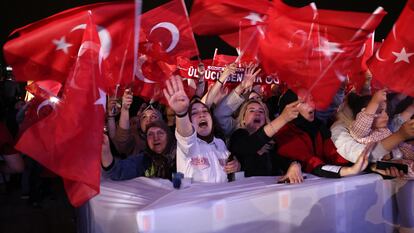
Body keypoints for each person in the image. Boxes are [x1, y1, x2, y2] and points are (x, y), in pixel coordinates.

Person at [274, 89, 371, 178]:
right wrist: (348, 170)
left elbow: (334, 155)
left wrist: (362, 162)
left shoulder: (319, 127)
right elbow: (310, 162)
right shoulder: (285, 131)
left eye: (311, 100)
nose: (312, 105)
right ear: (290, 107)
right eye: (304, 102)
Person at [163, 75, 240, 183]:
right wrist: (181, 113)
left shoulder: (220, 144)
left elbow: (230, 171)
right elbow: (186, 136)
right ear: (189, 121)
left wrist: (236, 167)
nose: (202, 115)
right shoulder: (187, 146)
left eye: (205, 111)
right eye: (194, 113)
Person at [230, 98, 304, 183]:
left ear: (265, 119)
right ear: (243, 119)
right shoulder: (238, 135)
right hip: (246, 192)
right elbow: (249, 145)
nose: (257, 113)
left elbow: (283, 159)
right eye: (252, 111)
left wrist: (294, 165)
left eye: (261, 111)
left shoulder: (271, 142)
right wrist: (283, 118)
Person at [101, 120, 176, 180]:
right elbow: (118, 171)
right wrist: (105, 151)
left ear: (168, 137)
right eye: (150, 134)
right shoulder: (145, 159)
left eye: (160, 133)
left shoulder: (180, 156)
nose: (156, 138)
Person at [112, 88, 163, 156]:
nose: (148, 119)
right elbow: (122, 140)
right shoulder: (135, 140)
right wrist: (125, 109)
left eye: (153, 116)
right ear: (140, 124)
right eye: (144, 117)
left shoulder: (169, 139)